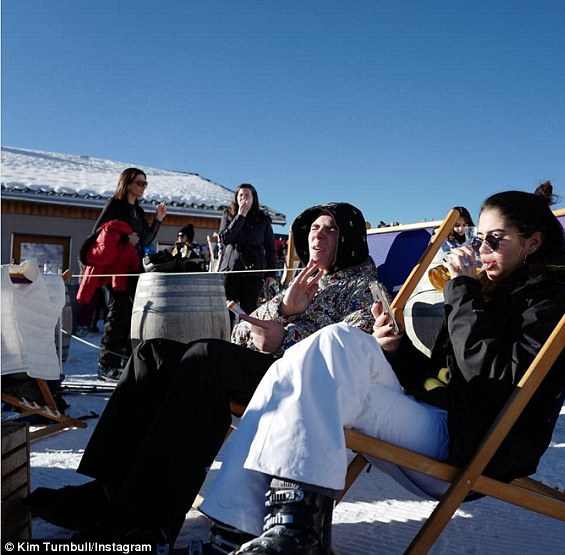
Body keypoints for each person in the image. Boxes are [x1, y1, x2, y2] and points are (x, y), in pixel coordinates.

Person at [197, 184, 565, 554]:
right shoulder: (489, 290)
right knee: (321, 348)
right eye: (480, 238)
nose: (481, 250)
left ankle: (295, 533)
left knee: (324, 352)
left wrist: (464, 291)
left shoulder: (550, 301)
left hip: (470, 442)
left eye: (495, 239)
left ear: (532, 242)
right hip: (436, 416)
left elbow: (491, 381)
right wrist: (397, 349)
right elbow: (444, 376)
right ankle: (246, 531)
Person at [28, 202, 385, 546]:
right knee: (153, 353)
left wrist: (284, 335)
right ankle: (108, 490)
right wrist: (284, 308)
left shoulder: (364, 289)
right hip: (268, 365)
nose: (317, 236)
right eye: (314, 228)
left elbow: (351, 353)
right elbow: (242, 331)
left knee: (205, 359)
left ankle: (148, 517)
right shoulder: (301, 278)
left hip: (301, 385)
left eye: (331, 230)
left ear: (349, 239)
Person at [87, 168, 167, 381]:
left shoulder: (138, 211)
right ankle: (106, 365)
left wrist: (158, 220)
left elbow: (145, 240)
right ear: (127, 183)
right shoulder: (115, 205)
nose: (143, 187)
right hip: (117, 269)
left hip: (134, 269)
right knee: (117, 313)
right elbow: (98, 235)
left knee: (131, 315)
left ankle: (122, 361)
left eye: (145, 184)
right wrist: (124, 240)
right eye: (139, 183)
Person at [219, 184, 277, 319]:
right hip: (232, 270)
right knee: (228, 310)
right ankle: (226, 338)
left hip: (254, 272)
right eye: (241, 195)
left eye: (247, 195)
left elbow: (270, 248)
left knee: (249, 311)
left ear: (253, 198)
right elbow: (225, 239)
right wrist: (240, 217)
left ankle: (246, 338)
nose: (243, 198)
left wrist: (271, 273)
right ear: (236, 198)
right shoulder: (228, 214)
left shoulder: (262, 219)